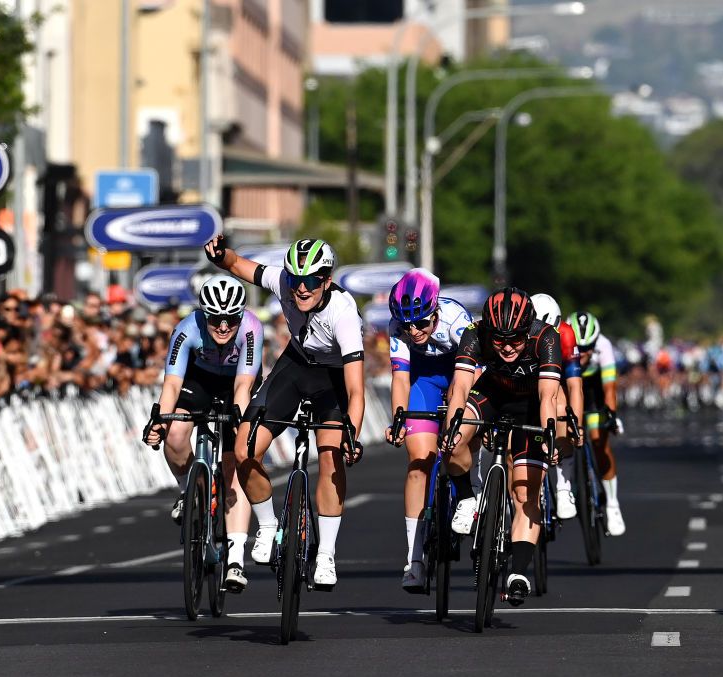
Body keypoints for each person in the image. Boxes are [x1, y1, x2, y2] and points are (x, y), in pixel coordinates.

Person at [204, 235, 364, 591]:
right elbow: (238, 266)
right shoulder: (284, 281)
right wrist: (220, 254)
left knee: (330, 455)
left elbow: (355, 388)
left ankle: (326, 554)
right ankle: (267, 525)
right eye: (295, 280)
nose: (301, 289)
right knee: (243, 449)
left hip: (333, 378)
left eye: (310, 281)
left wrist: (352, 431)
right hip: (294, 366)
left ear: (326, 280)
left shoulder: (344, 314)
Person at [143, 274, 263, 592]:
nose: (223, 327)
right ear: (204, 315)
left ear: (240, 315)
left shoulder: (251, 328)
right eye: (216, 320)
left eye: (230, 320)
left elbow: (244, 384)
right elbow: (171, 383)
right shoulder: (186, 329)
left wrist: (238, 419)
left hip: (237, 383)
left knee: (234, 465)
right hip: (198, 381)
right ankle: (188, 491)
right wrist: (160, 420)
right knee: (176, 433)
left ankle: (236, 559)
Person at [443, 288, 562, 605]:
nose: (507, 347)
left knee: (525, 491)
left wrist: (549, 433)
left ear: (528, 330)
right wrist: (454, 424)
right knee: (453, 440)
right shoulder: (474, 332)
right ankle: (467, 498)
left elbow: (549, 396)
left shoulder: (546, 338)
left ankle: (519, 571)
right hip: (492, 395)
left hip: (531, 405)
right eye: (499, 340)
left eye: (515, 340)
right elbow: (461, 386)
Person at [384, 268, 473, 593]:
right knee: (419, 460)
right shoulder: (398, 325)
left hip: (461, 375)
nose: (413, 331)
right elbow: (400, 379)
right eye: (407, 325)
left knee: (459, 439)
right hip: (424, 380)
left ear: (435, 311)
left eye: (421, 323)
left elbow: (471, 374)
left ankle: (470, 492)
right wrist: (398, 418)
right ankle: (414, 560)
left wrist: (457, 402)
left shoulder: (456, 320)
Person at [568, 311, 627, 536]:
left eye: (588, 348)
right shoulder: (562, 340)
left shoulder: (604, 345)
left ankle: (612, 504)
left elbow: (609, 387)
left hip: (593, 390)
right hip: (569, 385)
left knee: (598, 440)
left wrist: (611, 414)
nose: (583, 353)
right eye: (579, 348)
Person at [530, 293, 585, 519]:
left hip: (556, 377)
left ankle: (564, 486)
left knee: (562, 408)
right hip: (528, 376)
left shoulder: (567, 334)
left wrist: (577, 425)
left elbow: (574, 386)